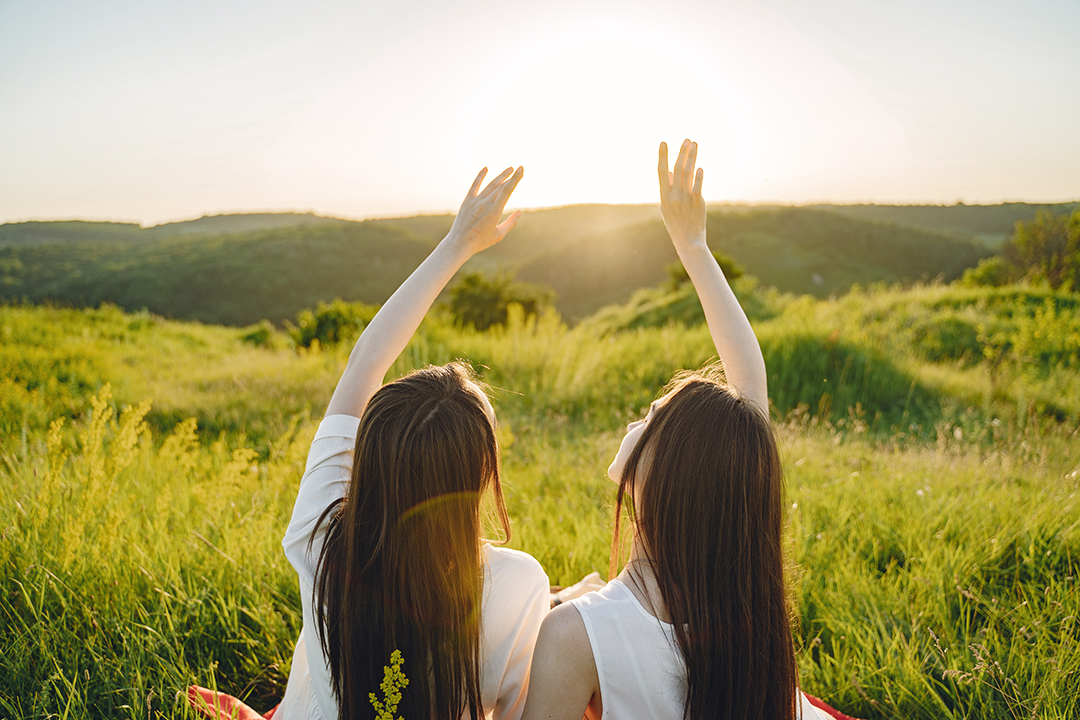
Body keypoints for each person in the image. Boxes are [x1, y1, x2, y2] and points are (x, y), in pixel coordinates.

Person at [190, 164, 550, 720]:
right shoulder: (519, 584)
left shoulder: (323, 538)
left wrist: (457, 243)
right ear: (479, 478)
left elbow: (366, 361)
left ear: (368, 458)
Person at [519, 141, 857, 720]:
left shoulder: (573, 636)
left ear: (668, 474)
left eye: (652, 416)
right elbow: (747, 387)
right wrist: (693, 247)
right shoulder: (742, 589)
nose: (636, 419)